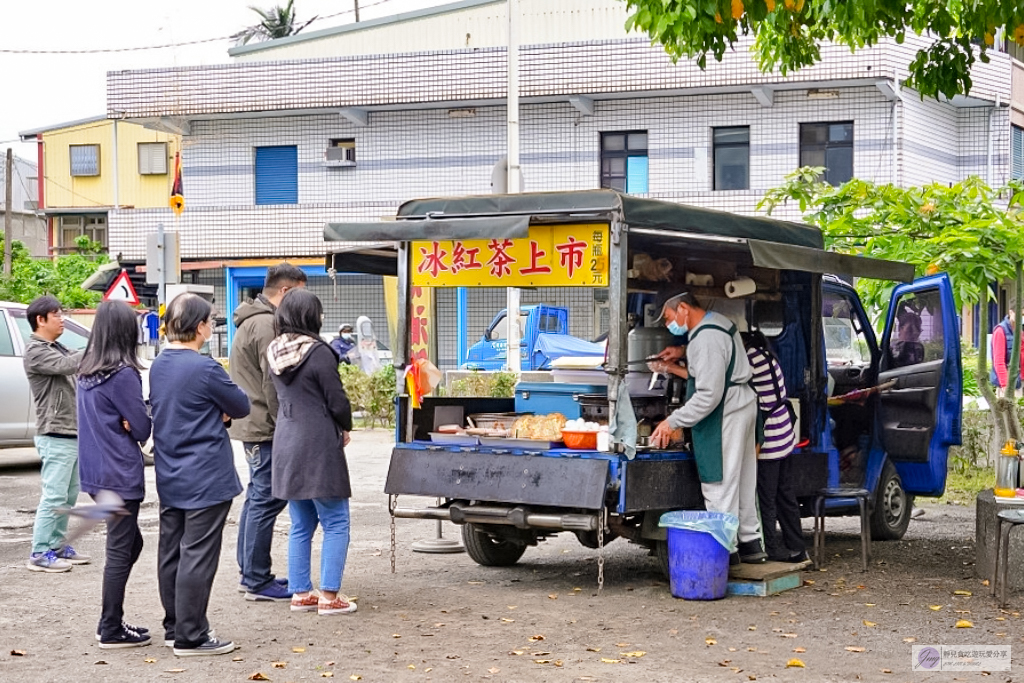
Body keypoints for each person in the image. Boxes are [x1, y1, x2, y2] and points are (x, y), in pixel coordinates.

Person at [150, 294, 250, 656]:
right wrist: (219, 415)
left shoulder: (160, 365)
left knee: (171, 550)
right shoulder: (205, 368)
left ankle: (174, 625)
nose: (212, 325)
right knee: (197, 553)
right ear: (199, 327)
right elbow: (240, 405)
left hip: (170, 470)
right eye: (209, 319)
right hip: (206, 473)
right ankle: (192, 635)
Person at [648, 291, 765, 564]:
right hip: (743, 404)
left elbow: (708, 396)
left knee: (721, 481)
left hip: (727, 410)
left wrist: (671, 421)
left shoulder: (705, 339)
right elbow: (714, 362)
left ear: (684, 309)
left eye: (668, 318)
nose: (669, 325)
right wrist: (680, 352)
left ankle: (726, 552)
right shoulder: (718, 322)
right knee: (744, 479)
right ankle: (751, 544)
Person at [267, 289, 357, 616]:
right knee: (336, 521)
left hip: (286, 438)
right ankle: (330, 597)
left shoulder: (274, 351)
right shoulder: (318, 352)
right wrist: (345, 426)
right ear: (309, 317)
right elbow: (337, 399)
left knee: (301, 522)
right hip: (318, 440)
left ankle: (301, 592)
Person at [229, 262, 307, 602]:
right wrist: (288, 425)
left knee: (259, 498)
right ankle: (257, 579)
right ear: (286, 292)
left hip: (253, 422)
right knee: (267, 499)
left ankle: (251, 573)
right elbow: (273, 383)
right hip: (265, 425)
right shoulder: (265, 325)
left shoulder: (252, 320)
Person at [77, 301, 153, 648]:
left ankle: (112, 620)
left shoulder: (84, 370)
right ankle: (110, 627)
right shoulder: (123, 375)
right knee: (121, 550)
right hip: (120, 472)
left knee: (128, 544)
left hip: (95, 471)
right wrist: (133, 419)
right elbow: (141, 429)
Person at [24, 295, 90, 572]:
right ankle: (39, 552)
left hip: (70, 432)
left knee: (68, 495)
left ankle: (57, 546)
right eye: (56, 315)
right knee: (54, 496)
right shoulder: (36, 351)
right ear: (41, 320)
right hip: (55, 433)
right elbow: (69, 365)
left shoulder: (57, 347)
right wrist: (99, 345)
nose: (62, 319)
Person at [742, 331, 806, 563]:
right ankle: (797, 547)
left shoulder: (749, 358)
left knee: (766, 498)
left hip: (771, 438)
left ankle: (771, 548)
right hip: (785, 434)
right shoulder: (768, 355)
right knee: (785, 494)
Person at [991, 310, 1024, 392]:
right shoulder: (1000, 331)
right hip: (1008, 385)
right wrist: (1005, 385)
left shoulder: (1019, 331)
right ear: (1011, 312)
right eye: (1021, 313)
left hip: (1019, 381)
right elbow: (999, 361)